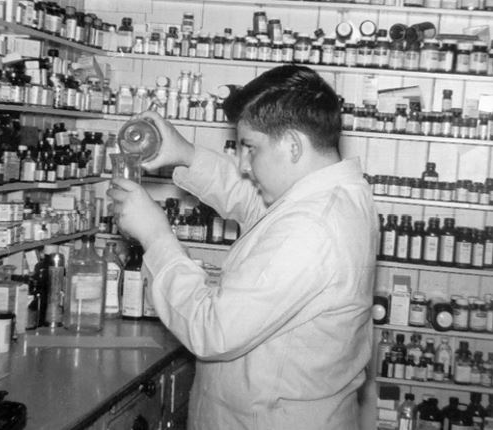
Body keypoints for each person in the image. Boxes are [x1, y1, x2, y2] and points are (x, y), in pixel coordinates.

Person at [107, 64, 378, 429]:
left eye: (250, 148)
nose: (243, 164)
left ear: (294, 145)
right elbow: (255, 208)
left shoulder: (312, 229)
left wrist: (156, 238)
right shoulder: (332, 195)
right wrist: (186, 154)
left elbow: (210, 329)